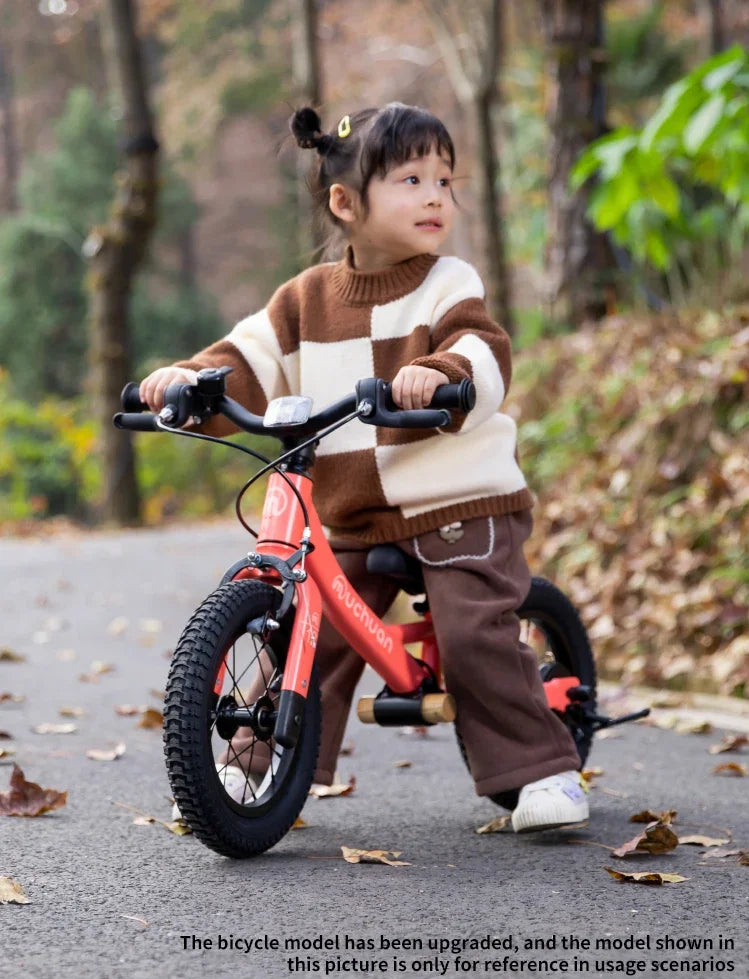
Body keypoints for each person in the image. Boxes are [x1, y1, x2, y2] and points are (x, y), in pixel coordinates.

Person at [140, 102, 589, 833]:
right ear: (345, 203)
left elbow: (483, 348)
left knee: (472, 632)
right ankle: (253, 763)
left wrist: (442, 373)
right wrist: (190, 382)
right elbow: (246, 358)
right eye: (412, 179)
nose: (437, 195)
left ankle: (544, 772)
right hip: (351, 512)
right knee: (306, 634)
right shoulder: (305, 300)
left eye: (446, 179)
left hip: (456, 504)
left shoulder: (447, 283)